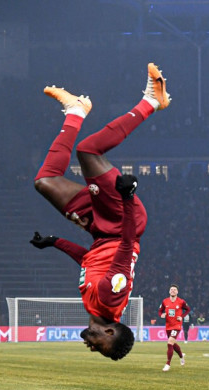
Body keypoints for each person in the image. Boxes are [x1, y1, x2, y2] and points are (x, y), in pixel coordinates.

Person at [29, 63, 171, 361]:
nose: (92, 346)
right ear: (111, 332)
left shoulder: (94, 306)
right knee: (89, 152)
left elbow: (88, 260)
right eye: (101, 347)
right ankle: (152, 101)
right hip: (121, 222)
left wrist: (54, 242)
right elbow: (128, 245)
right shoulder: (109, 299)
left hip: (99, 229)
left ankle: (75, 112)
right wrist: (127, 197)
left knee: (46, 182)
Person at [158, 284, 190, 371]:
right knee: (173, 343)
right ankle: (181, 355)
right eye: (171, 289)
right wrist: (161, 315)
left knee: (169, 343)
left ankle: (168, 364)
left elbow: (188, 309)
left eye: (174, 290)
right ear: (169, 291)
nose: (173, 291)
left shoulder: (181, 301)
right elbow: (160, 311)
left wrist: (182, 316)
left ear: (177, 292)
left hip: (177, 325)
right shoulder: (165, 301)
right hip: (168, 326)